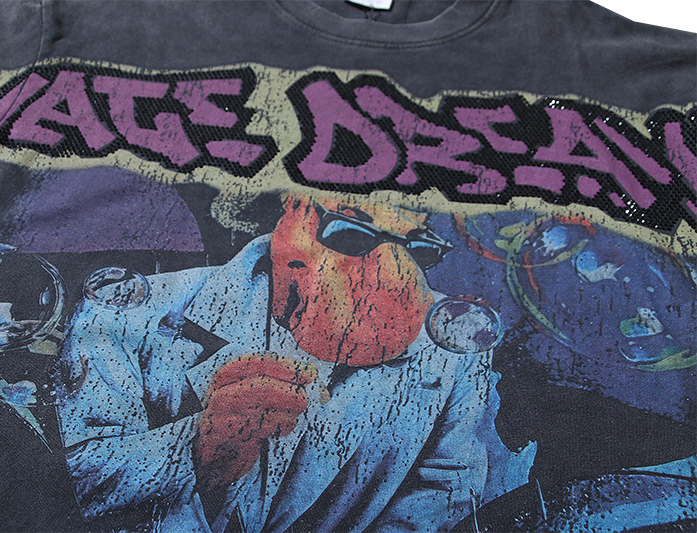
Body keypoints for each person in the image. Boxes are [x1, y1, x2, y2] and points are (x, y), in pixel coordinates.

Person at [54, 192, 533, 532]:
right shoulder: (126, 312)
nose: (383, 277)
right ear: (292, 211)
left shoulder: (455, 342)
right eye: (348, 234)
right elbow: (62, 480)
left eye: (415, 250)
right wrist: (196, 448)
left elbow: (450, 488)